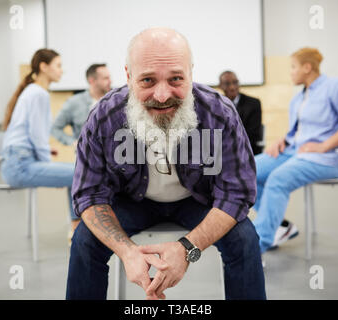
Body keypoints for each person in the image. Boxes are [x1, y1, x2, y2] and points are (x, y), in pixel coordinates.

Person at [66, 27, 266, 300]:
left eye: (175, 79)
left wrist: (187, 248)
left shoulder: (219, 114)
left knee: (244, 239)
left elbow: (237, 193)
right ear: (128, 75)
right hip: (133, 202)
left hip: (197, 201)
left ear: (191, 74)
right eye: (147, 80)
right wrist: (127, 252)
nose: (162, 95)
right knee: (84, 240)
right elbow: (89, 194)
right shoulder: (104, 116)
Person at [253, 47, 338, 253]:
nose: (291, 72)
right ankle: (279, 227)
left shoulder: (336, 86)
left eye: (293, 67)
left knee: (278, 179)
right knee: (248, 170)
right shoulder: (298, 98)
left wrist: (324, 145)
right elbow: (300, 132)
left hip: (327, 158)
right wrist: (283, 140)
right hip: (294, 152)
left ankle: (256, 247)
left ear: (307, 67)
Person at [1, 49, 80, 238]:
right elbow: (37, 136)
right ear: (44, 67)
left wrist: (45, 156)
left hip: (18, 161)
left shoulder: (33, 91)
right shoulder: (39, 94)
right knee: (78, 173)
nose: (62, 71)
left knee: (75, 171)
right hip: (19, 166)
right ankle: (77, 230)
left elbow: (31, 136)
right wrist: (47, 164)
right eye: (58, 65)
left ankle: (77, 228)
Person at [51, 64, 112, 146]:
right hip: (86, 157)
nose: (110, 81)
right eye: (106, 78)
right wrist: (73, 142)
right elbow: (55, 128)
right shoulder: (74, 102)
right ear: (92, 81)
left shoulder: (115, 102)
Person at [219, 71, 263, 155]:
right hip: (222, 150)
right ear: (220, 86)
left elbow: (253, 134)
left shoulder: (253, 104)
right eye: (227, 84)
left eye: (235, 82)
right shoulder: (215, 104)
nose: (232, 87)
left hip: (246, 150)